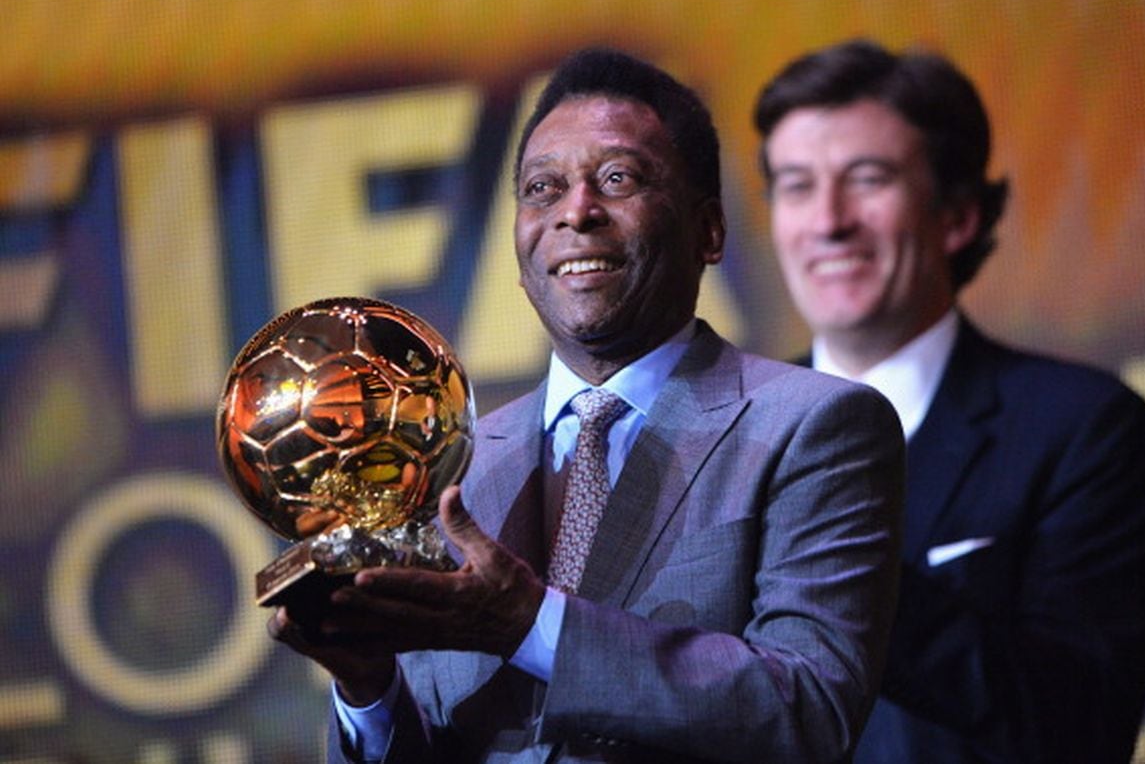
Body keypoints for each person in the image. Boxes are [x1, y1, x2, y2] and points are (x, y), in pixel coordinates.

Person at [269, 47, 906, 763]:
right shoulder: (446, 464)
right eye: (542, 188)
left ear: (709, 231)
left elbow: (808, 710)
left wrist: (531, 624)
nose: (576, 211)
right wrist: (368, 691)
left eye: (618, 178)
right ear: (518, 255)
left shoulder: (815, 427)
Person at [753, 38, 1145, 763]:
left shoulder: (1081, 429)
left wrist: (849, 562)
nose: (827, 221)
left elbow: (1080, 725)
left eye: (868, 178)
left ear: (959, 216)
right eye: (796, 185)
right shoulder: (731, 430)